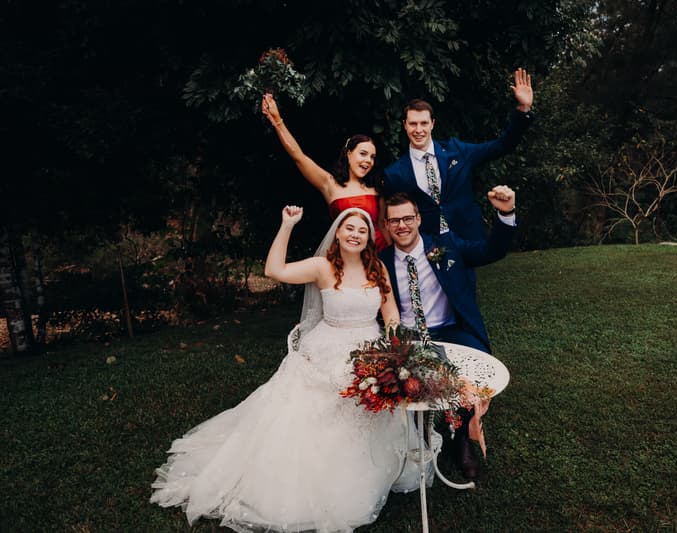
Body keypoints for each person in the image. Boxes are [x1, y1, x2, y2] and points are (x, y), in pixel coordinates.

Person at [150, 207, 424, 532]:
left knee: (372, 405)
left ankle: (369, 469)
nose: (354, 234)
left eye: (361, 230)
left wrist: (392, 347)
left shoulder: (375, 267)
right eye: (349, 228)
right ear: (338, 233)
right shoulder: (323, 267)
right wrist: (287, 225)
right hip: (328, 347)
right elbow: (274, 270)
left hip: (370, 347)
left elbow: (390, 311)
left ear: (369, 238)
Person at [379, 185, 518, 479]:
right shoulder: (382, 261)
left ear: (418, 219)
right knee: (403, 380)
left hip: (451, 329)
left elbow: (491, 250)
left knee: (477, 368)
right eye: (394, 221)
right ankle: (419, 437)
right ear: (387, 225)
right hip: (410, 336)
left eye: (407, 218)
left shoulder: (447, 245)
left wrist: (506, 214)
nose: (401, 225)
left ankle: (462, 435)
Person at [383, 68, 533, 240]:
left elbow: (502, 145)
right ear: (405, 125)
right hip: (427, 249)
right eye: (413, 124)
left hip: (467, 241)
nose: (419, 130)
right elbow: (393, 218)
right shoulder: (394, 173)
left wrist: (523, 109)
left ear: (432, 124)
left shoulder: (457, 151)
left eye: (424, 123)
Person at [261, 93, 390, 250]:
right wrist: (277, 120)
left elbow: (383, 226)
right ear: (349, 154)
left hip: (379, 254)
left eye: (372, 157)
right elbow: (299, 157)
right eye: (363, 154)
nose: (368, 160)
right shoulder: (330, 184)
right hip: (346, 256)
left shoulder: (376, 188)